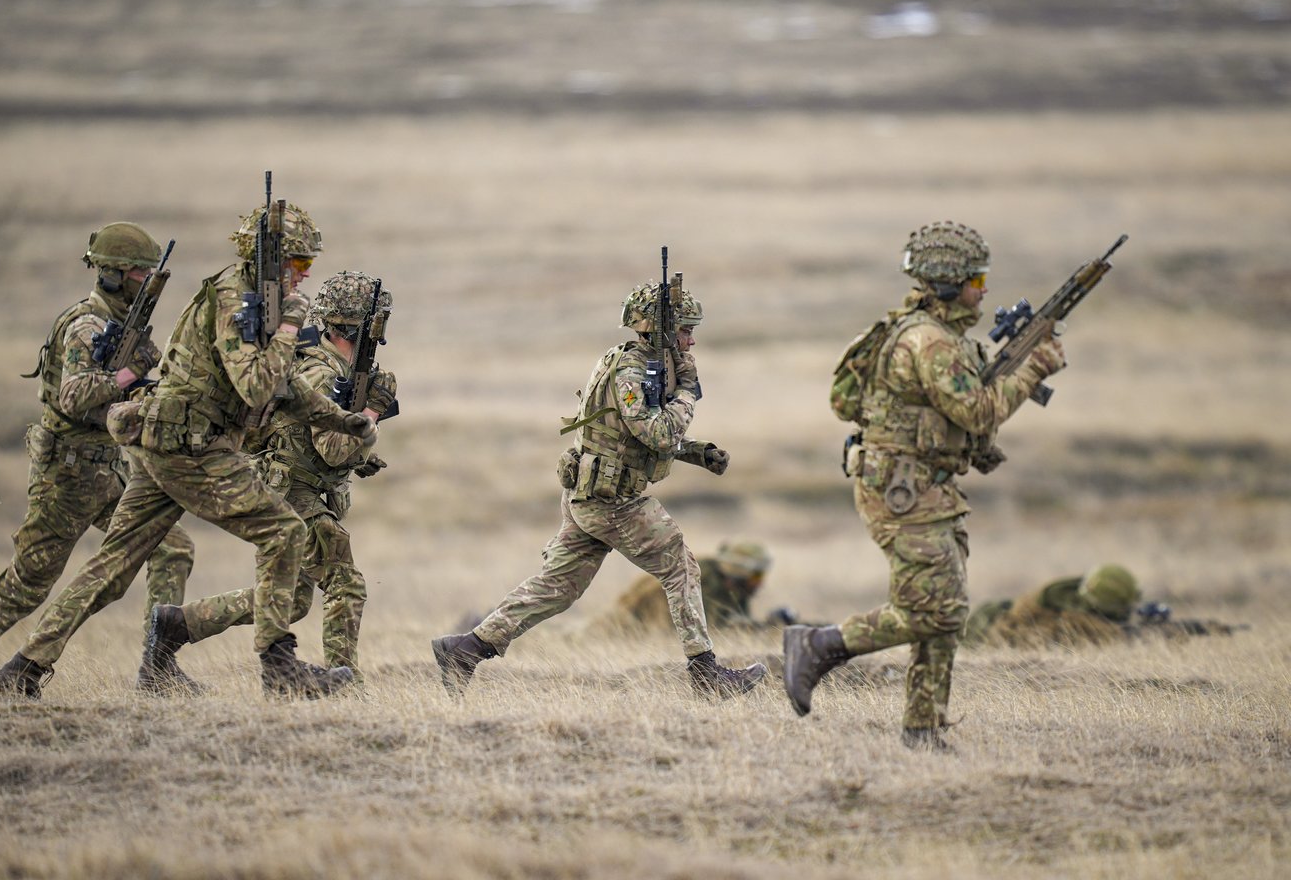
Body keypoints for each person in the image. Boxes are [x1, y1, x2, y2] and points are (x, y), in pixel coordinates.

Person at [0, 198, 376, 701]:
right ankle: (279, 670)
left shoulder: (251, 299)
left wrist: (340, 420)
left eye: (308, 263)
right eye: (298, 262)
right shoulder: (238, 301)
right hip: (191, 447)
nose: (304, 274)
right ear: (270, 259)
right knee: (284, 532)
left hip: (164, 440)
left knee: (111, 569)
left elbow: (284, 388)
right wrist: (289, 330)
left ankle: (21, 670)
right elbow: (257, 386)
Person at [783, 221, 1067, 750]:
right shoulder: (930, 341)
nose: (983, 289)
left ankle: (923, 731)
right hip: (902, 491)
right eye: (975, 280)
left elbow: (957, 418)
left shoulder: (940, 336)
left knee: (947, 612)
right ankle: (819, 645)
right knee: (932, 610)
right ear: (947, 284)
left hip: (927, 488)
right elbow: (978, 410)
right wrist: (1034, 370)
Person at [432, 277, 767, 699]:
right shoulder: (632, 372)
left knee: (557, 588)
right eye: (685, 330)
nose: (691, 340)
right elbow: (657, 434)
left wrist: (698, 452)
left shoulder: (640, 364)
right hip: (613, 501)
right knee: (681, 566)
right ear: (660, 330)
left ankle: (465, 649)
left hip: (592, 496)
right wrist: (687, 393)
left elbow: (632, 437)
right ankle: (706, 674)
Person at [0, 224, 195, 693]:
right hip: (67, 475)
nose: (147, 280)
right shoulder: (86, 326)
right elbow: (74, 396)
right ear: (114, 274)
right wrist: (129, 373)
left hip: (107, 470)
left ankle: (157, 668)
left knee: (171, 546)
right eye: (140, 273)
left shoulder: (116, 326)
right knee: (29, 582)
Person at [140, 271, 396, 689]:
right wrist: (371, 414)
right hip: (294, 492)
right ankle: (347, 683)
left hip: (297, 486)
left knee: (291, 601)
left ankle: (177, 624)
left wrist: (360, 456)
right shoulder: (321, 373)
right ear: (360, 326)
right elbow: (333, 448)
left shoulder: (324, 364)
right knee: (345, 584)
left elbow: (318, 445)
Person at [963, 564, 1244, 646]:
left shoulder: (1067, 595)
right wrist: (1196, 629)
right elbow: (1126, 638)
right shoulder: (1072, 620)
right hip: (985, 634)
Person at [593, 540, 802, 635]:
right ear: (738, 572)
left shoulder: (727, 583)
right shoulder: (704, 582)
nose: (760, 583)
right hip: (616, 629)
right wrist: (769, 626)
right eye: (756, 576)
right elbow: (716, 630)